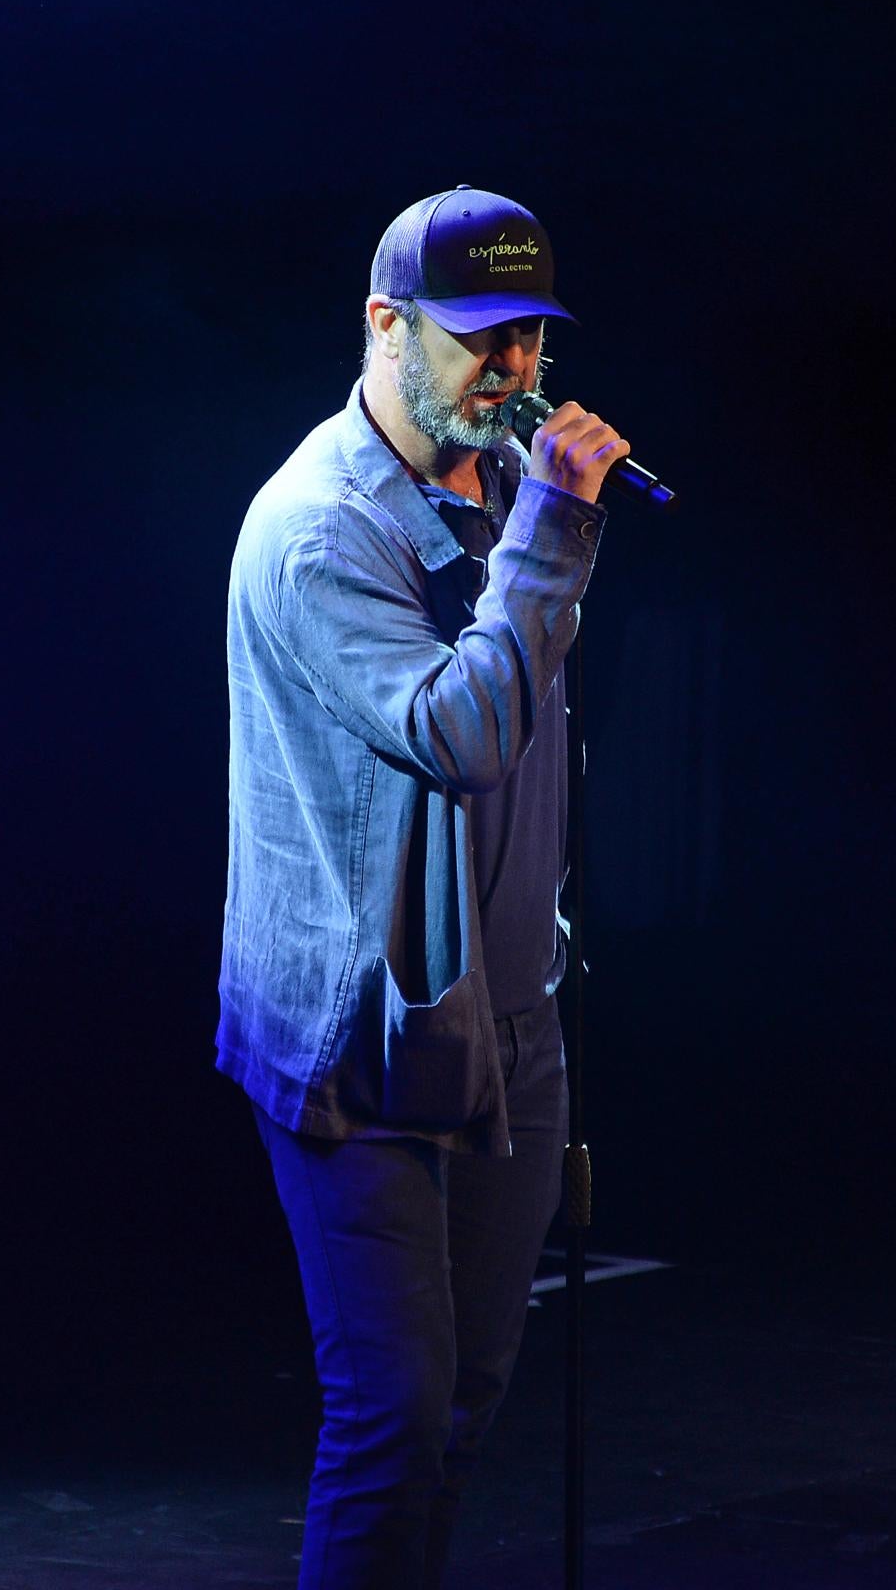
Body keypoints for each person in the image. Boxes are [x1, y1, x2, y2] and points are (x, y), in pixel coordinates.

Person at [217, 185, 631, 1589]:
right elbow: (458, 734)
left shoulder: (505, 486)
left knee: (464, 1410)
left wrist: (543, 527)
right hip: (363, 1041)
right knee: (392, 1417)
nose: (513, 374)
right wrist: (557, 540)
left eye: (530, 341)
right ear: (385, 326)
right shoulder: (321, 530)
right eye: (478, 342)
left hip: (510, 1030)